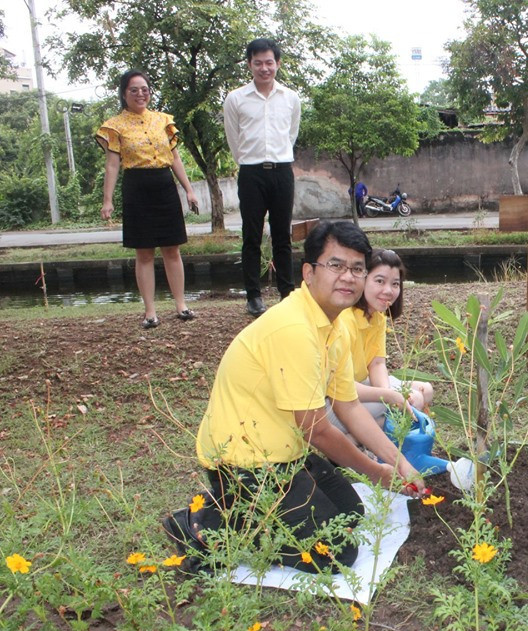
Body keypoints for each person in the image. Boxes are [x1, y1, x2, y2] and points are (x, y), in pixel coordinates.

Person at [163, 221, 424, 574]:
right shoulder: (294, 328)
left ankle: (243, 512)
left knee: (351, 512)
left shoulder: (335, 326)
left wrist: (399, 464)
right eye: (335, 265)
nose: (347, 277)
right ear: (309, 272)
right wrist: (377, 472)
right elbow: (317, 430)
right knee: (338, 552)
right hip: (245, 464)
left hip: (284, 455)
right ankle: (203, 523)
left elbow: (348, 406)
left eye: (357, 269)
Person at [96, 69, 200, 329]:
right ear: (124, 94)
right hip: (136, 187)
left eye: (144, 89)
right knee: (143, 252)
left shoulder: (163, 120)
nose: (140, 94)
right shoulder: (115, 125)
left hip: (164, 185)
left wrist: (188, 189)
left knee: (172, 248)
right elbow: (112, 165)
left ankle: (181, 305)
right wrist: (107, 200)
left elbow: (175, 158)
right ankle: (150, 312)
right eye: (134, 90)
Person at [224, 38, 301, 317]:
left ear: (278, 64)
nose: (264, 68)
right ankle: (253, 296)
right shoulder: (236, 98)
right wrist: (248, 161)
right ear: (249, 64)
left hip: (282, 171)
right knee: (251, 235)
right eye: (258, 63)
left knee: (283, 235)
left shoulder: (290, 98)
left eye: (269, 62)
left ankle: (287, 293)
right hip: (251, 172)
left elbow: (291, 135)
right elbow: (234, 138)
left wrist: (277, 157)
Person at [328, 249, 435, 433]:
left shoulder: (378, 316)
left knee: (426, 390)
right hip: (334, 403)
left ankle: (356, 440)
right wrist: (390, 396)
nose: (388, 291)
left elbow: (377, 363)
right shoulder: (344, 319)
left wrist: (389, 393)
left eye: (395, 284)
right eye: (379, 281)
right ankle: (353, 441)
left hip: (360, 389)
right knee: (411, 399)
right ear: (362, 279)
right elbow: (339, 385)